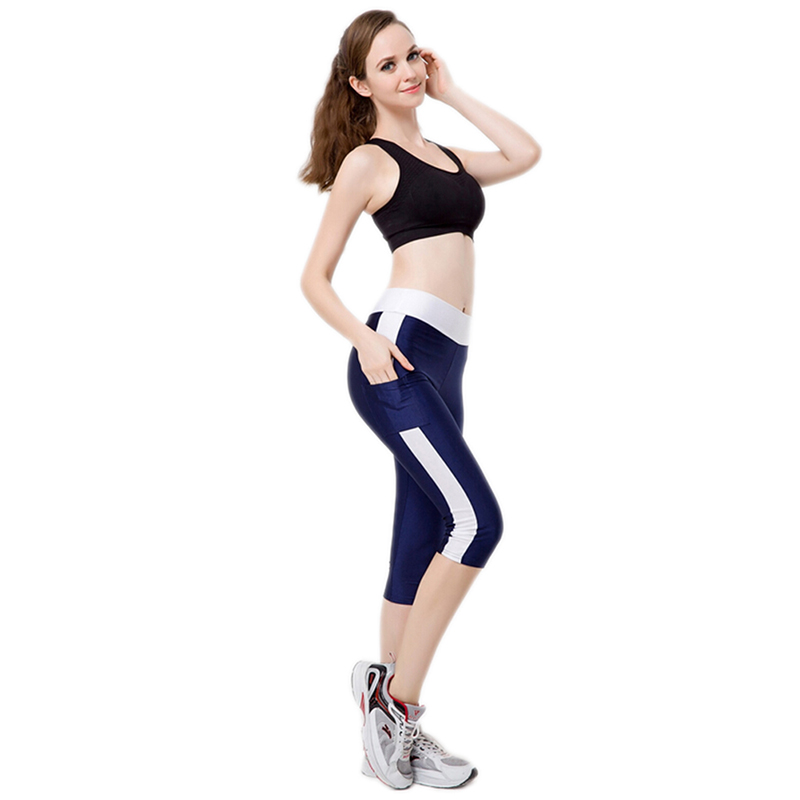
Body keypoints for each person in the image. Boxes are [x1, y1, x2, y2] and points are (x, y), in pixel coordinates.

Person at [298, 9, 541, 790]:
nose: (406, 72)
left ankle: (386, 716)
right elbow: (313, 278)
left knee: (425, 530)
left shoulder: (446, 155)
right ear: (360, 84)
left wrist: (453, 91)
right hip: (394, 354)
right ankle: (396, 707)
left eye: (412, 57)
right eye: (388, 65)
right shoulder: (367, 162)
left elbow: (525, 153)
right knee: (478, 522)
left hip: (448, 361)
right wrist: (363, 341)